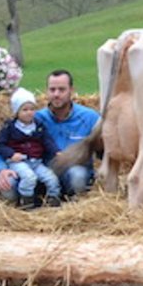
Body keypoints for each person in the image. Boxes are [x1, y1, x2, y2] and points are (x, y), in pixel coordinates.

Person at [34, 69, 101, 199]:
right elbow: (8, 144)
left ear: (71, 90)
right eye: (52, 90)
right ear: (46, 91)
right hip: (46, 172)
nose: (56, 94)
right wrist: (1, 170)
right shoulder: (36, 119)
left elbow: (108, 149)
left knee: (77, 175)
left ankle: (76, 204)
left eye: (61, 90)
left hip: (77, 171)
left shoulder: (90, 117)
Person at [0, 89, 61, 209]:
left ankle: (53, 199)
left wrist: (56, 151)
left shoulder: (39, 126)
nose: (29, 113)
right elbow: (0, 145)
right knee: (29, 177)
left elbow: (47, 141)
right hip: (18, 162)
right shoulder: (10, 127)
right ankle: (27, 201)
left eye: (32, 109)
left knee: (51, 178)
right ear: (16, 112)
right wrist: (11, 154)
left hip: (36, 162)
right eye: (25, 110)